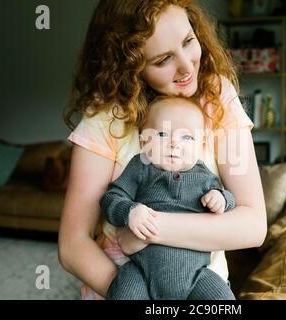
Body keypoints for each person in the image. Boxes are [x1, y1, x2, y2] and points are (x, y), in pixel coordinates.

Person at [59, 0, 267, 300]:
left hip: (199, 290)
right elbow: (72, 246)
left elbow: (252, 226)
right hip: (122, 288)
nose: (186, 65)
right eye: (163, 59)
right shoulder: (105, 116)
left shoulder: (217, 96)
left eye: (188, 41)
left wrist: (146, 231)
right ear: (129, 66)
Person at [102, 96, 236, 300]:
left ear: (200, 146)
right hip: (142, 273)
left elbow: (230, 202)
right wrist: (131, 211)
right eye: (163, 134)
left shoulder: (205, 177)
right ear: (143, 141)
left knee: (223, 300)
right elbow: (111, 198)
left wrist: (221, 198)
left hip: (197, 277)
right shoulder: (141, 166)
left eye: (187, 137)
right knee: (123, 294)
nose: (174, 143)